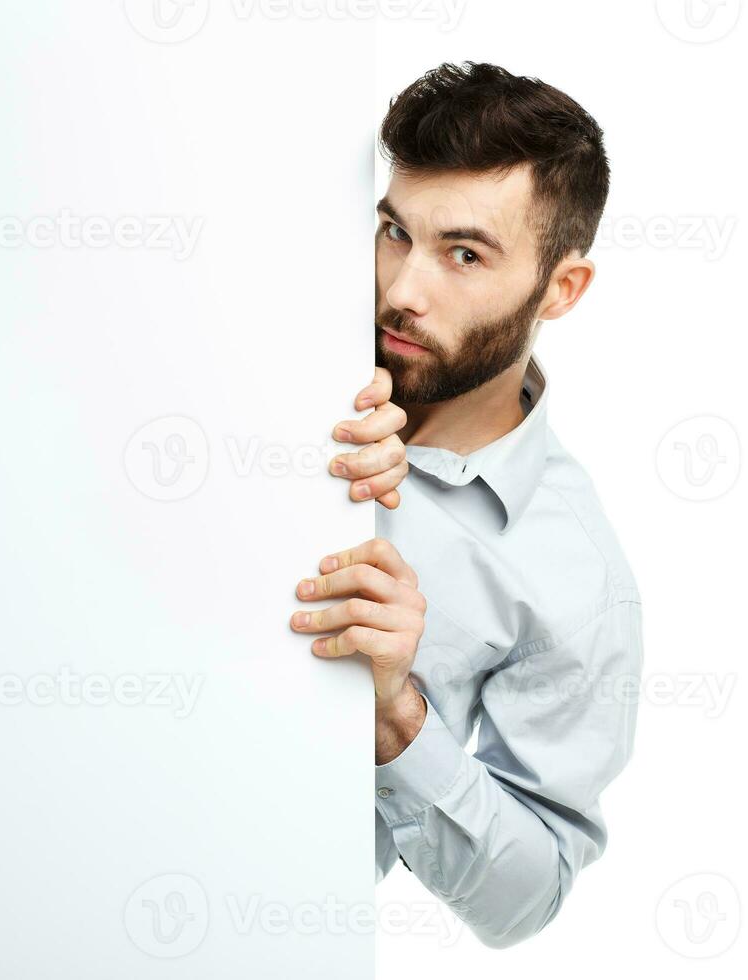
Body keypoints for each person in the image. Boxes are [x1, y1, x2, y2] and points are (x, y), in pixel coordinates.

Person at [290, 62, 643, 948]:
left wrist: (393, 713)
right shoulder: (273, 345)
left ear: (561, 289)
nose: (402, 289)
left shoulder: (574, 576)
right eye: (392, 232)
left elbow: (526, 899)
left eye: (465, 253)